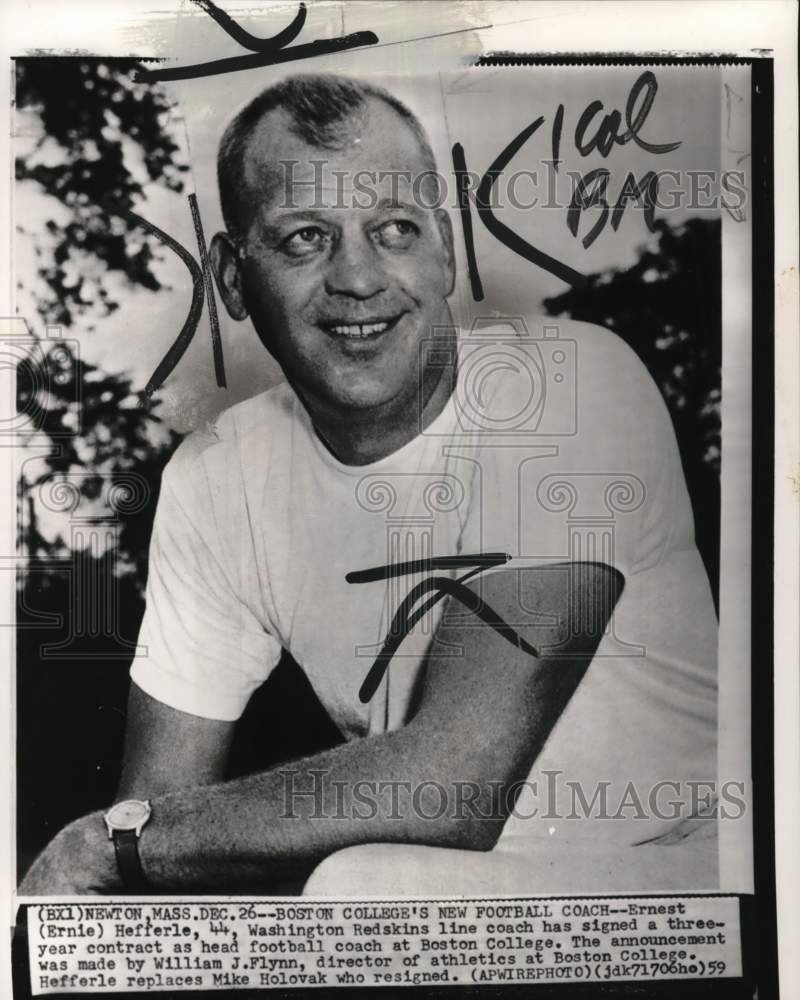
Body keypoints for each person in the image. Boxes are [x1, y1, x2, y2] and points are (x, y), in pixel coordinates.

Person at [20, 73, 718, 897]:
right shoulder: (218, 476)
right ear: (232, 277)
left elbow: (453, 783)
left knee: (358, 882)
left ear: (446, 250)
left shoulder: (566, 388)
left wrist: (110, 845)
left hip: (688, 875)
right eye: (304, 238)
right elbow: (159, 825)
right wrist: (93, 880)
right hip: (432, 897)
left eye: (394, 229)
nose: (358, 278)